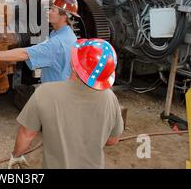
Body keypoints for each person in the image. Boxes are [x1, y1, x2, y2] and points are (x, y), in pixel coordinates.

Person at [8, 38, 124, 169]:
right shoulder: (110, 98)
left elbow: (26, 134)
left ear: (74, 65)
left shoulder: (45, 92)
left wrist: (16, 156)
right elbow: (113, 140)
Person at [0, 0, 78, 83]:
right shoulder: (67, 35)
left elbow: (24, 54)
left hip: (54, 93)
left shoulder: (57, 43)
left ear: (64, 17)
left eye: (53, 10)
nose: (48, 12)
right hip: (62, 85)